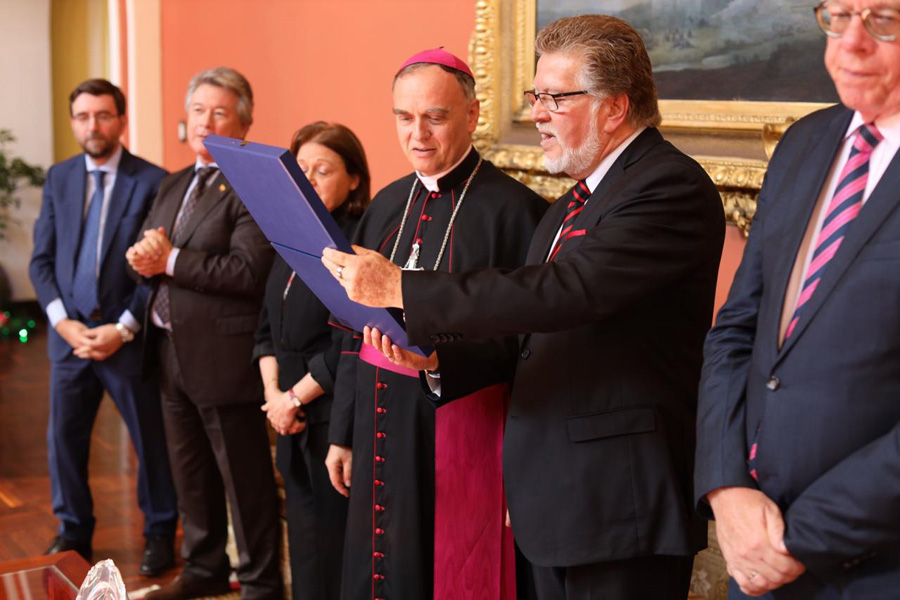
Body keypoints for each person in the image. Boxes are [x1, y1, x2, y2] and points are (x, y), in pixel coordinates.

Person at [323, 16, 725, 600]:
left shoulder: (668, 187)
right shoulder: (573, 204)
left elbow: (566, 294)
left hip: (619, 501)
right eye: (536, 96)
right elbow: (527, 339)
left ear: (613, 108)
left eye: (553, 98)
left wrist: (401, 289)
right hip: (557, 502)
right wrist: (433, 360)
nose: (536, 113)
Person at [693, 1, 900, 598]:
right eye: (837, 15)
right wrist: (726, 488)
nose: (850, 42)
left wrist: (798, 539)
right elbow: (736, 330)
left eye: (883, 19)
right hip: (755, 553)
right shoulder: (805, 143)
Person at [324, 48, 547, 600]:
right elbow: (354, 330)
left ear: (471, 116)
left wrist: (441, 360)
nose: (417, 133)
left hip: (459, 421)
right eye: (404, 117)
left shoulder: (516, 212)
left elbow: (527, 340)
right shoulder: (387, 204)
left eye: (436, 116)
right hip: (379, 423)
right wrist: (343, 433)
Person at [126, 67, 280, 600]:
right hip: (169, 350)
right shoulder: (173, 183)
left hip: (225, 355)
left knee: (245, 480)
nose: (206, 121)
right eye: (198, 111)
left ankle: (260, 582)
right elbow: (153, 254)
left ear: (244, 121)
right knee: (190, 474)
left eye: (219, 111)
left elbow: (248, 272)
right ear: (185, 119)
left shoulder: (252, 185)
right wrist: (143, 258)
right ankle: (204, 568)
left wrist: (168, 258)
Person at [29, 78, 178, 575]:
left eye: (103, 115)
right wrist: (61, 323)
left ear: (121, 119)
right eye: (83, 116)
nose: (93, 125)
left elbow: (152, 269)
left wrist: (125, 326)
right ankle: (73, 531)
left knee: (148, 440)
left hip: (126, 337)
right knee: (63, 440)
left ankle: (159, 530)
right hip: (68, 337)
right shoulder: (59, 178)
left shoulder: (154, 181)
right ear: (73, 122)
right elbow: (42, 262)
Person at [253, 121, 370, 600]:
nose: (310, 180)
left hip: (330, 421)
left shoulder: (357, 244)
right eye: (301, 170)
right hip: (287, 417)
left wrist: (293, 398)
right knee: (302, 549)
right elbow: (265, 330)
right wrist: (273, 397)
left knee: (331, 552)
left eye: (322, 170)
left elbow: (351, 342)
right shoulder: (289, 237)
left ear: (354, 178)